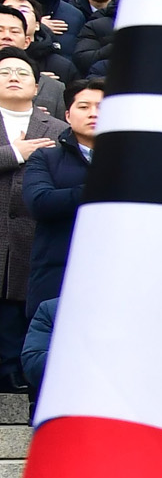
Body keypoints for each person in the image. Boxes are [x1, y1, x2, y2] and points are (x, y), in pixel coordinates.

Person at [0, 49, 60, 390]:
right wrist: (13, 153)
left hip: (34, 231)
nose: (12, 76)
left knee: (23, 304)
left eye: (21, 73)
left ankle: (16, 369)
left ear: (37, 87)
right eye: (5, 71)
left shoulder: (57, 127)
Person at [21, 79, 98, 317]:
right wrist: (102, 189)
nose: (93, 113)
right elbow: (40, 202)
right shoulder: (46, 158)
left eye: (103, 107)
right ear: (67, 115)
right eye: (84, 107)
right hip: (57, 274)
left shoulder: (134, 161)